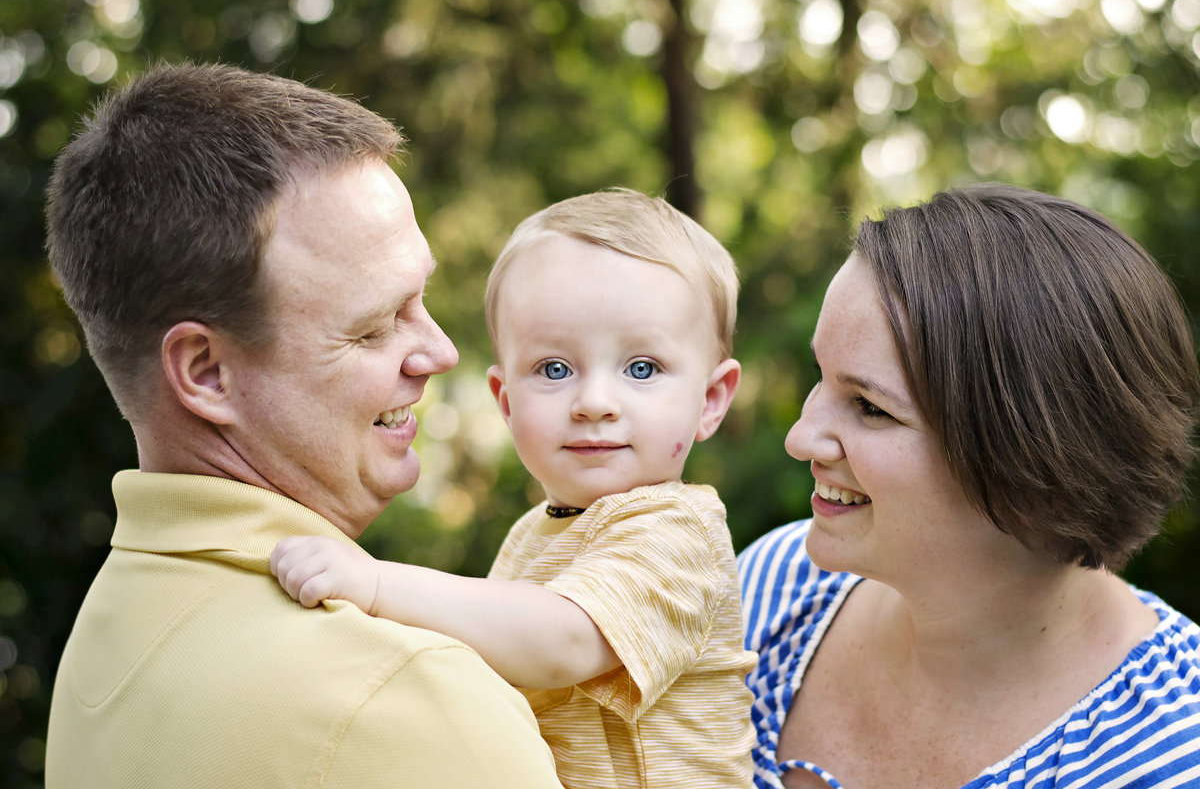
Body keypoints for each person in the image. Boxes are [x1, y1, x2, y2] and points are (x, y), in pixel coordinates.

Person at [43, 62, 563, 788]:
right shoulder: (403, 701)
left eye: (423, 298)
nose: (440, 352)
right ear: (205, 373)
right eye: (377, 325)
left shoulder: (106, 635)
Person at [272, 188, 758, 789]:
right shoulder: (535, 533)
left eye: (641, 368)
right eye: (555, 369)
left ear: (710, 401)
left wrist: (374, 582)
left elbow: (563, 642)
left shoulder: (677, 530)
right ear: (505, 400)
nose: (595, 404)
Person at [739, 183, 1200, 788]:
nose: (800, 438)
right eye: (820, 377)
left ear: (1037, 469)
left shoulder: (1171, 755)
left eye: (871, 408)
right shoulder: (770, 590)